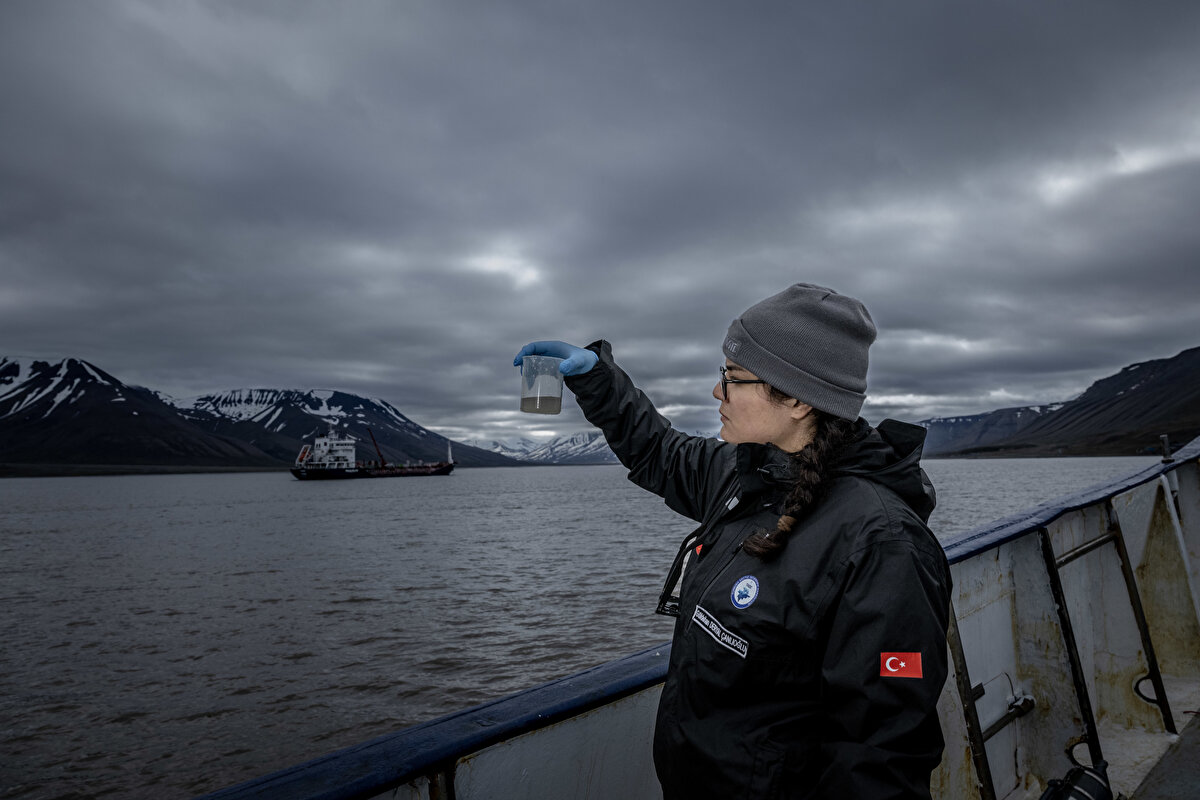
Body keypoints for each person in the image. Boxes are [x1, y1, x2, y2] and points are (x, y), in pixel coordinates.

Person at [514, 283, 951, 799]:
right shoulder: (748, 473)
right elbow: (660, 451)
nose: (716, 392)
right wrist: (599, 382)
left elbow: (879, 759)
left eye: (732, 378)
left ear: (793, 398)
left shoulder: (883, 545)